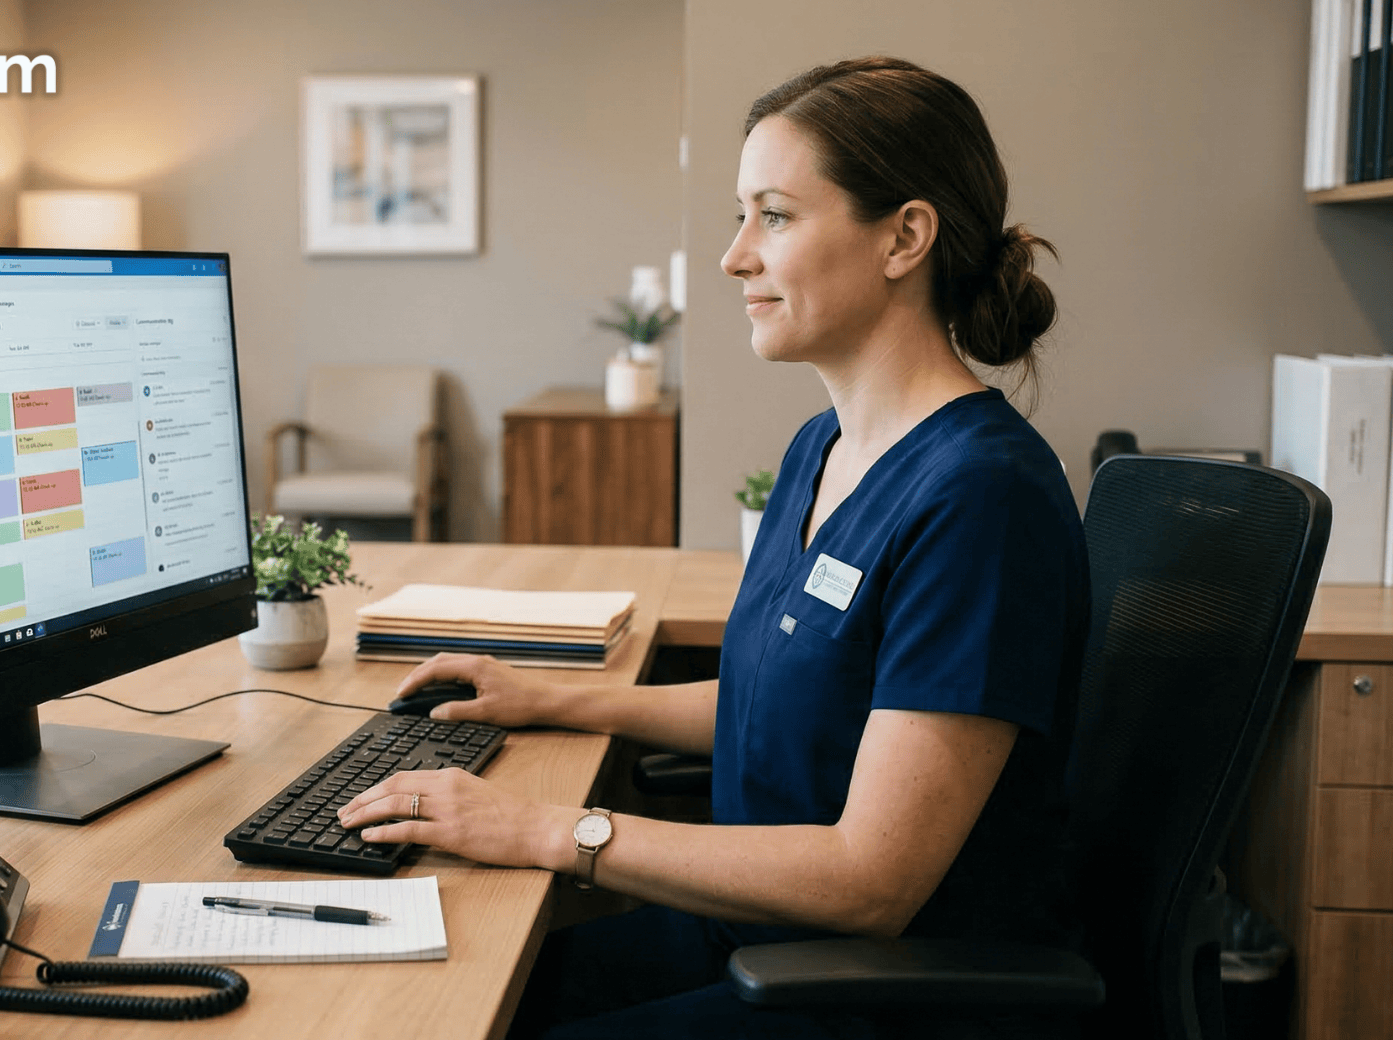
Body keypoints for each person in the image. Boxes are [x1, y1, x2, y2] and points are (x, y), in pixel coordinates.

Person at [337, 57, 1090, 1039]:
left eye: (773, 216)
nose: (735, 257)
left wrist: (545, 830)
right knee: (425, 1002)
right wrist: (548, 698)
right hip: (754, 938)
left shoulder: (981, 498)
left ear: (905, 236)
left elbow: (873, 883)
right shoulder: (823, 449)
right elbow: (781, 702)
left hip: (874, 992)